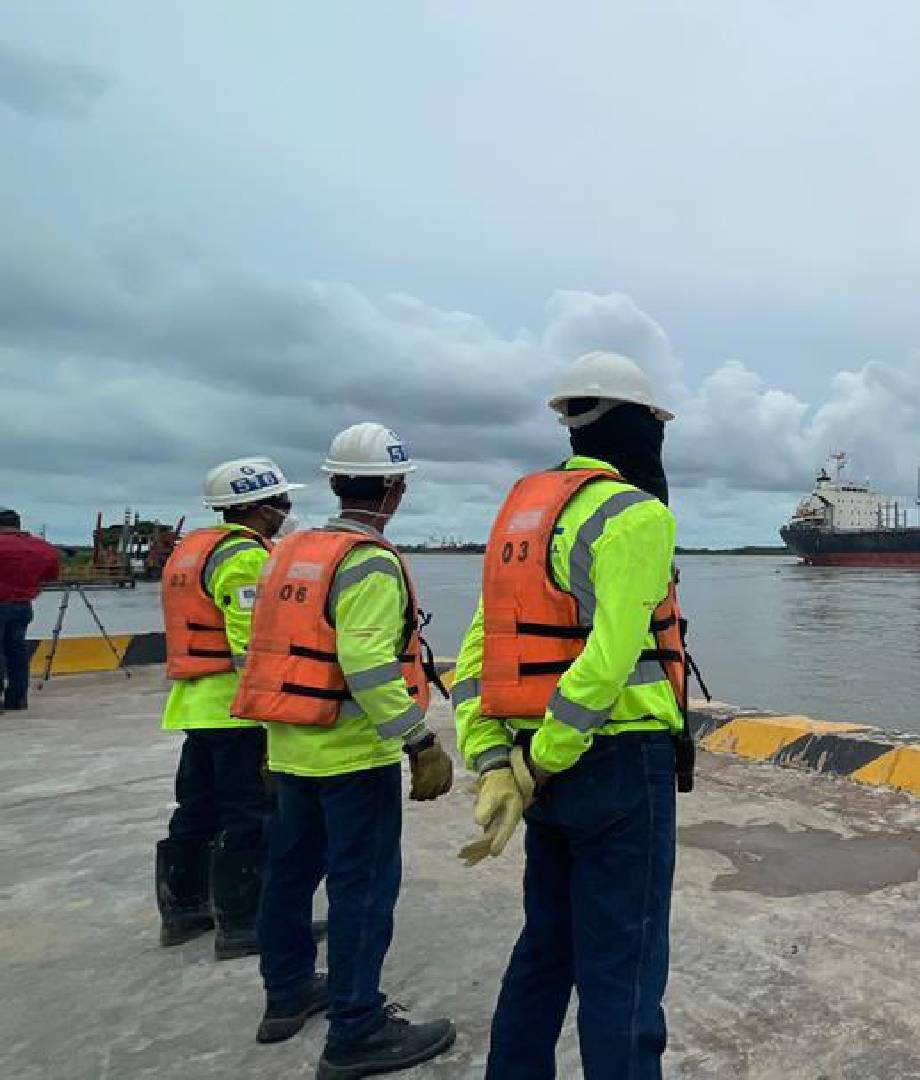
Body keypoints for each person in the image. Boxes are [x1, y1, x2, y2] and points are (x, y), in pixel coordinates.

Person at [452, 350, 690, 1079]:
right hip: (615, 766)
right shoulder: (635, 514)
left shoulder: (523, 515)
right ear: (642, 427)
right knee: (624, 970)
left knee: (546, 948)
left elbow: (476, 657)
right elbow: (609, 662)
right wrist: (540, 760)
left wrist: (495, 760)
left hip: (537, 766)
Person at [230, 422, 458, 1078]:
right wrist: (418, 739)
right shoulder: (368, 562)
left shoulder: (287, 553)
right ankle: (357, 1028)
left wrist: (272, 732)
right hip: (354, 758)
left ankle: (286, 994)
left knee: (290, 875)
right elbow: (367, 663)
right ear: (395, 489)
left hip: (289, 746)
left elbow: (259, 649)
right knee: (362, 890)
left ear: (334, 483)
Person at [154, 458, 302, 958]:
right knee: (249, 814)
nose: (286, 512)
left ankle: (183, 911)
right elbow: (251, 643)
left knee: (196, 809)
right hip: (236, 710)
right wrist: (273, 707)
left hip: (196, 705)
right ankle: (243, 924)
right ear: (260, 507)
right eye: (281, 502)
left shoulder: (192, 550)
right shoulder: (245, 558)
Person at [0, 507, 61, 712]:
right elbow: (51, 575)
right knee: (17, 652)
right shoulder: (41, 547)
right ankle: (17, 699)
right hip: (23, 606)